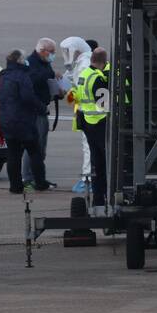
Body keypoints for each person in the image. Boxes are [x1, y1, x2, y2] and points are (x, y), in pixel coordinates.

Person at [0, 50, 48, 193]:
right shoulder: (23, 76)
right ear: (19, 61)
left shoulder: (2, 75)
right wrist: (42, 108)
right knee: (34, 152)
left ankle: (15, 186)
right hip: (24, 121)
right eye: (24, 59)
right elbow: (28, 97)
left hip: (6, 121)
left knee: (13, 154)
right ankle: (40, 182)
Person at [76, 47, 110, 213]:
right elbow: (104, 104)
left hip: (87, 124)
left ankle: (98, 198)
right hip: (99, 122)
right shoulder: (97, 78)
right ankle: (106, 195)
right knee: (107, 163)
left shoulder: (83, 75)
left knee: (97, 164)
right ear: (103, 62)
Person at [22, 37, 59, 189]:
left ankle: (38, 177)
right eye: (51, 52)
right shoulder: (30, 63)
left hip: (43, 108)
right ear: (42, 51)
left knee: (41, 147)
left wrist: (57, 91)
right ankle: (29, 178)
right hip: (34, 111)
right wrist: (51, 75)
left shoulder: (44, 63)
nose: (53, 55)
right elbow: (33, 81)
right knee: (33, 146)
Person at [59, 35, 94, 190]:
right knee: (88, 146)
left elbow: (80, 89)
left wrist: (69, 92)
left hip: (89, 114)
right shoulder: (80, 64)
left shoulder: (84, 64)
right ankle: (89, 177)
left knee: (89, 146)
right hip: (87, 113)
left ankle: (88, 178)